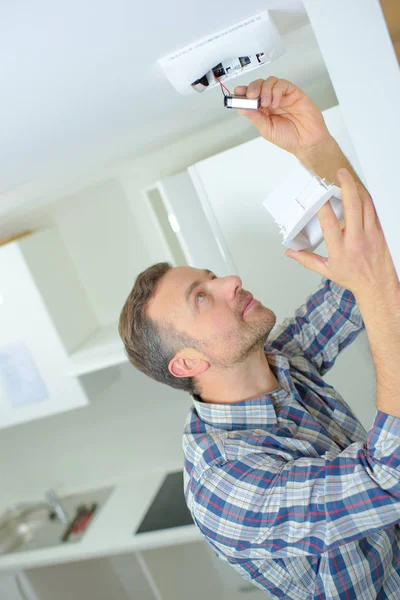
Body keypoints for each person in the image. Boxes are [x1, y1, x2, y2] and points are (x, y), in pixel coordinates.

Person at [119, 77, 400, 599]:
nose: (230, 281)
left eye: (210, 276)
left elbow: (365, 269)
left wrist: (316, 146)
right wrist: (375, 286)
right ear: (186, 363)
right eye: (202, 297)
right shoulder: (229, 483)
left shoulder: (276, 363)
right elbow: (389, 479)